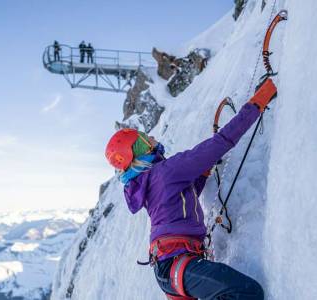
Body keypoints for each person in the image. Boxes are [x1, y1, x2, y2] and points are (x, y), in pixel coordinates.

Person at [105, 78, 277, 300]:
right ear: (141, 150)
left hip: (171, 268)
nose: (153, 138)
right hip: (178, 264)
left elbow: (182, 196)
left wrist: (202, 173)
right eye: (146, 139)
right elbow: (220, 143)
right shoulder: (167, 171)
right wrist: (257, 103)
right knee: (245, 292)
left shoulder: (148, 181)